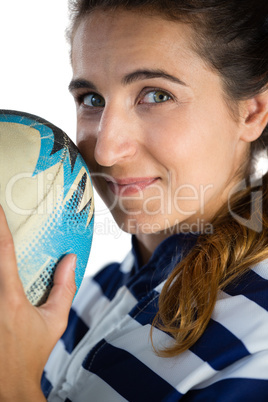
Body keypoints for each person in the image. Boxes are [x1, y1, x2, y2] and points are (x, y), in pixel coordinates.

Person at [0, 0, 267, 400]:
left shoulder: (258, 334)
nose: (105, 151)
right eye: (92, 99)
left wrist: (14, 383)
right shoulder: (82, 295)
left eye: (157, 95)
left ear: (252, 112)